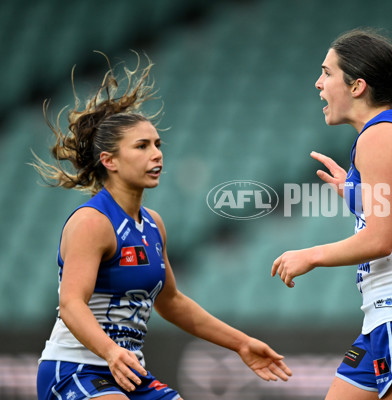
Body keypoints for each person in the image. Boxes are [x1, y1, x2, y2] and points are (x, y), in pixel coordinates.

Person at [33, 53, 292, 400]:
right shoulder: (92, 222)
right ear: (109, 161)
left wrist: (241, 344)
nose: (156, 154)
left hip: (127, 371)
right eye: (142, 146)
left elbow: (171, 302)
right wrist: (110, 352)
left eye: (157, 144)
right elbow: (71, 305)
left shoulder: (153, 224)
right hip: (75, 369)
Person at [271, 29, 392, 400]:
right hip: (389, 313)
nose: (318, 83)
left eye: (326, 73)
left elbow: (380, 240)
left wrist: (309, 255)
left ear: (357, 86)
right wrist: (357, 192)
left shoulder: (378, 136)